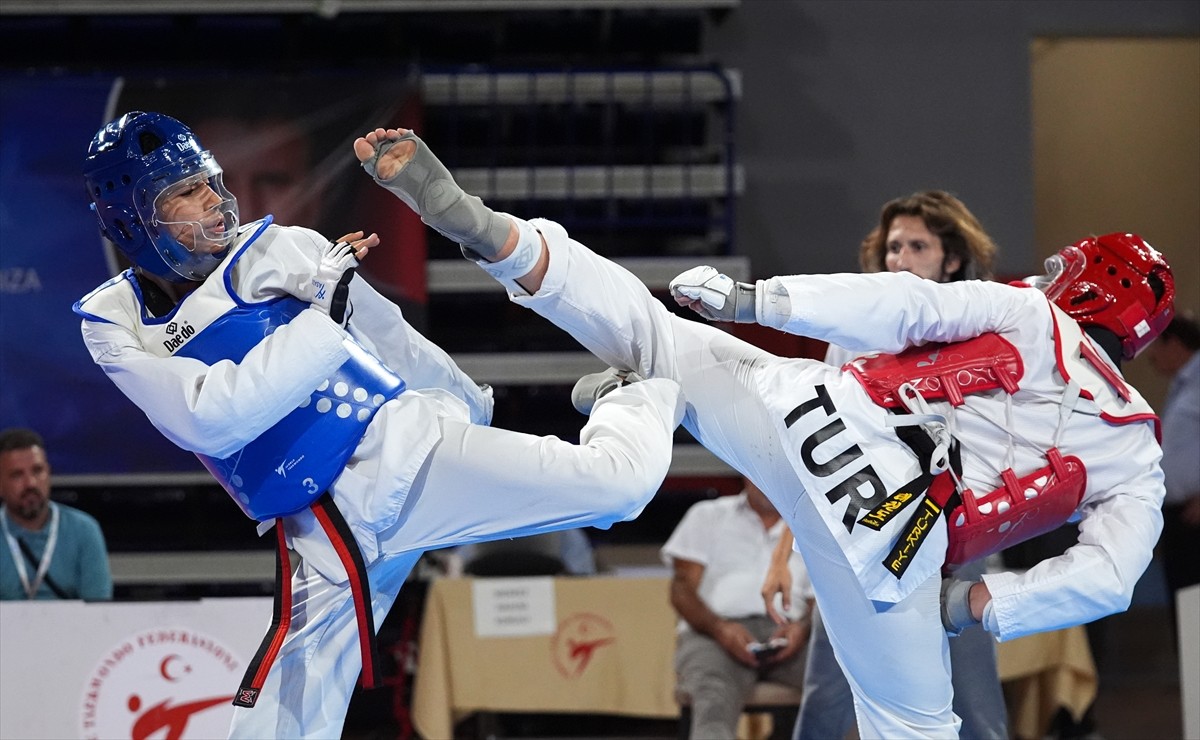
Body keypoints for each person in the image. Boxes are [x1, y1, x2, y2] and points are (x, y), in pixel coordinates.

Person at [358, 127, 1173, 738]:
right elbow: (1108, 578)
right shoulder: (1138, 453)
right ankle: (642, 400)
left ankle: (509, 255)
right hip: (895, 553)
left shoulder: (1028, 310)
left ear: (1085, 286)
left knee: (652, 331)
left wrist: (761, 302)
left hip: (818, 422)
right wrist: (976, 605)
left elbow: (906, 303)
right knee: (916, 726)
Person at [73, 112, 685, 740]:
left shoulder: (284, 249)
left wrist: (466, 405)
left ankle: (641, 390)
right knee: (276, 725)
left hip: (400, 457)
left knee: (620, 487)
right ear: (133, 221)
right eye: (184, 191)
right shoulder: (111, 322)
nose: (212, 201)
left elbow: (394, 339)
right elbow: (207, 419)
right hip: (322, 526)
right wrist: (319, 324)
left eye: (208, 182)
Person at [764, 191, 1008, 740]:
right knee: (825, 700)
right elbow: (816, 449)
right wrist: (782, 554)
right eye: (894, 246)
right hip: (861, 536)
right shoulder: (852, 337)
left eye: (918, 246)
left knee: (975, 704)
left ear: (950, 260)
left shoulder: (984, 335)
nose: (900, 259)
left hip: (955, 537)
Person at [662, 476, 813, 739]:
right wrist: (719, 629)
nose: (766, 480)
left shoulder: (813, 525)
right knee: (713, 697)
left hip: (793, 635)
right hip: (713, 632)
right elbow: (681, 589)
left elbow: (822, 601)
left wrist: (802, 628)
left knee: (848, 685)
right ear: (743, 470)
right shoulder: (707, 515)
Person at [0, 428, 113, 600]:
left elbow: (100, 613)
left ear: (48, 473)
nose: (30, 483)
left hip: (75, 627)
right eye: (17, 475)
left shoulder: (84, 531)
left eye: (37, 471)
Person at [1147, 313, 1200, 616]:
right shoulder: (1183, 382)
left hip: (1196, 514)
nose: (1151, 357)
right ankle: (1191, 665)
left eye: (1157, 346)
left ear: (1175, 343)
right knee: (1185, 608)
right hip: (1179, 514)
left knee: (1194, 607)